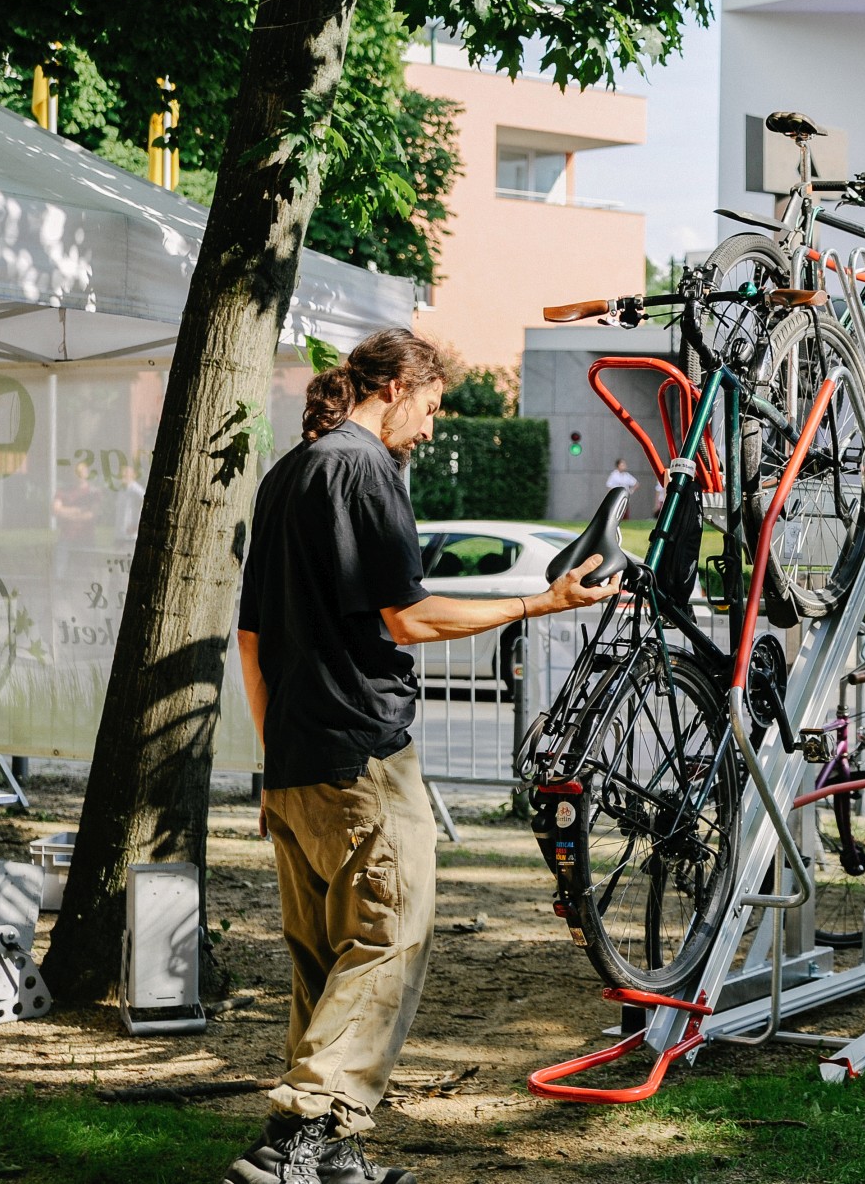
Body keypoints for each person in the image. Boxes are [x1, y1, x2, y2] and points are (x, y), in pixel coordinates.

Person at [227, 330, 619, 1184]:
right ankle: (302, 1137)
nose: (433, 429)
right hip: (363, 753)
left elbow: (251, 642)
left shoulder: (288, 472)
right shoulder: (365, 470)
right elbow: (410, 618)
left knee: (326, 960)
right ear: (398, 386)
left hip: (296, 760)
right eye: (433, 408)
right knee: (389, 942)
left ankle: (326, 1153)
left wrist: (271, 766)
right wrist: (540, 602)